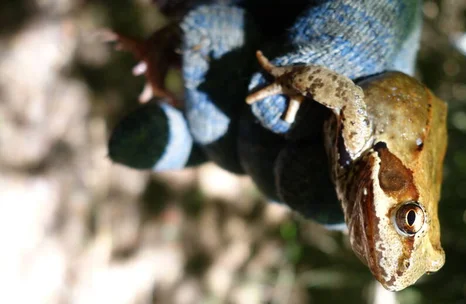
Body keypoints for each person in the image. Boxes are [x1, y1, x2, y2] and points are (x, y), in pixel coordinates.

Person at [108, 0, 423, 226]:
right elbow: (349, 100)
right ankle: (202, 142)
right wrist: (294, 79)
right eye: (409, 221)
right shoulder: (360, 150)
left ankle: (203, 142)